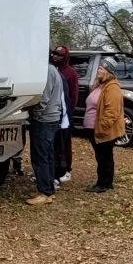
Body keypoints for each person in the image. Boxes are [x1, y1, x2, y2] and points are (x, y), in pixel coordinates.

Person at [27, 60, 64, 205]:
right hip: (51, 119)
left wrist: (33, 113)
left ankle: (44, 192)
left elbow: (44, 98)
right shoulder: (53, 70)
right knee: (48, 156)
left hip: (44, 120)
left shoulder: (47, 71)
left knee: (40, 156)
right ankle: (48, 190)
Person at [88, 56, 125, 193]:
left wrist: (101, 129)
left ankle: (104, 183)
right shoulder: (102, 85)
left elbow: (112, 112)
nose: (98, 70)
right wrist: (97, 81)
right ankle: (103, 182)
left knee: (105, 157)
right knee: (102, 156)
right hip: (97, 129)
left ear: (108, 71)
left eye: (101, 68)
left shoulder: (113, 88)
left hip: (104, 131)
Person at [50, 47, 79, 183]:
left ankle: (67, 169)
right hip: (54, 114)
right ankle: (54, 170)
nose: (56, 57)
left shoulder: (70, 73)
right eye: (54, 54)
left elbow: (73, 96)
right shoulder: (52, 70)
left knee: (65, 143)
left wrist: (68, 113)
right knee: (55, 144)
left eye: (59, 55)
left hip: (65, 115)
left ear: (65, 57)